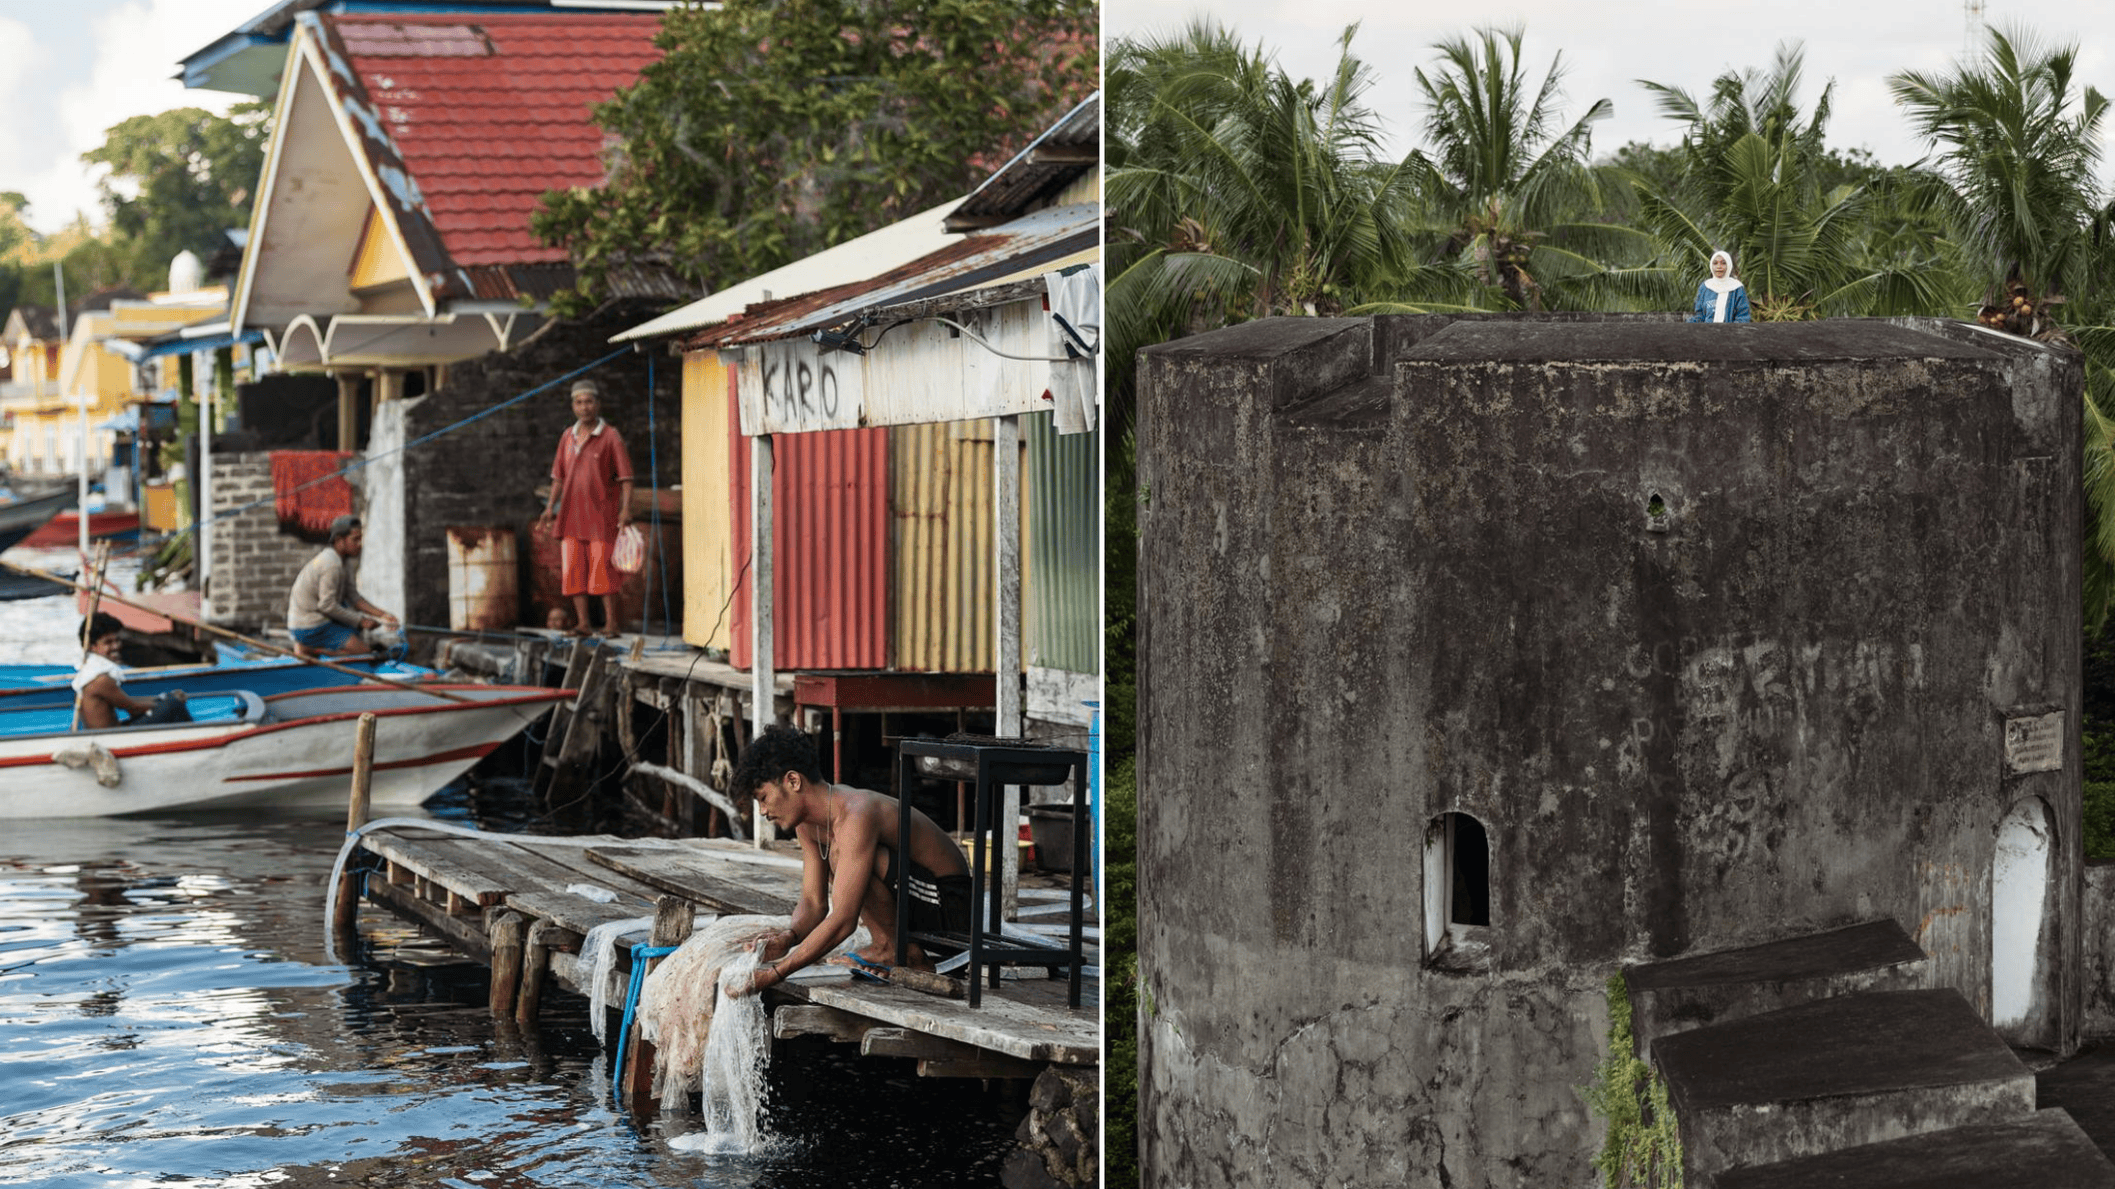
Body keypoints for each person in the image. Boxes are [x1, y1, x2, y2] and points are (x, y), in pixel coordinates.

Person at [727, 725, 972, 997]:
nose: (763, 811)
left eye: (763, 798)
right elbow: (813, 903)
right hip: (919, 905)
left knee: (843, 853)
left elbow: (844, 920)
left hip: (952, 913)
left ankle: (894, 949)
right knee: (841, 857)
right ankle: (891, 946)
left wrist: (775, 973)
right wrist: (789, 937)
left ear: (793, 781)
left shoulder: (856, 812)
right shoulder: (807, 825)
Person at [536, 379, 634, 636]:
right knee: (573, 571)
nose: (584, 407)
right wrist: (549, 507)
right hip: (570, 515)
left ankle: (611, 624)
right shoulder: (567, 437)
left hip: (602, 515)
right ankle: (583, 624)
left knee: (603, 571)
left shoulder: (610, 436)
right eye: (579, 402)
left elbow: (626, 478)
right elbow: (558, 477)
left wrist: (625, 510)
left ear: (597, 404)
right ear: (573, 406)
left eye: (589, 402)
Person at [287, 515, 399, 658]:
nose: (359, 544)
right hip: (309, 625)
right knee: (364, 652)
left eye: (360, 539)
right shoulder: (331, 565)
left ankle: (311, 647)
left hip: (321, 619)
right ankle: (308, 649)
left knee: (355, 629)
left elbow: (353, 597)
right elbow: (327, 606)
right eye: (355, 539)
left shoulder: (343, 562)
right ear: (340, 540)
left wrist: (383, 615)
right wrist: (361, 621)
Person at [74, 612, 187, 729]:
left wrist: (163, 698)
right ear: (92, 647)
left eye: (117, 641)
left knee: (170, 701)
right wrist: (169, 700)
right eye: (108, 642)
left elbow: (129, 702)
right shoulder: (100, 679)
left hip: (113, 731)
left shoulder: (90, 673)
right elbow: (133, 709)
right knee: (174, 704)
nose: (116, 646)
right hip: (111, 736)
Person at [1690, 250, 1751, 323]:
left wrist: (1729, 329)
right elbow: (1699, 315)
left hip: (1731, 330)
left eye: (1723, 263)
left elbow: (1743, 316)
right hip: (1706, 329)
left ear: (1729, 265)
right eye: (1715, 263)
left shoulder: (1737, 288)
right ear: (1711, 265)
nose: (1719, 267)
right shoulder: (1705, 287)